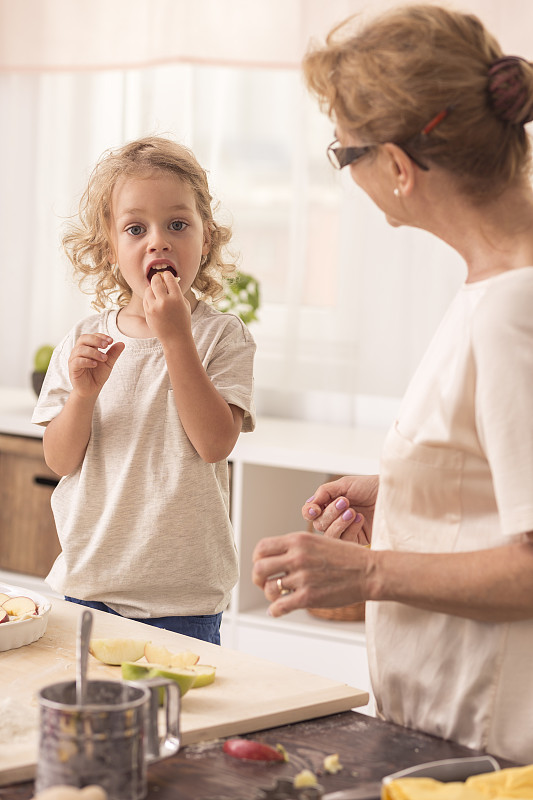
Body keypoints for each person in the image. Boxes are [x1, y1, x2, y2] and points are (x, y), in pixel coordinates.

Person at [252, 4, 533, 763]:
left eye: (343, 154)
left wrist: (366, 569)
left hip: (487, 748)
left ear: (399, 168)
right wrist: (412, 494)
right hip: (453, 734)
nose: (347, 176)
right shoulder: (494, 285)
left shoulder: (513, 306)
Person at [33, 136, 256, 645]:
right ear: (111, 250)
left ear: (206, 237)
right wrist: (83, 397)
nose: (158, 241)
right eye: (136, 228)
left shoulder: (223, 336)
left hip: (185, 600)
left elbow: (215, 443)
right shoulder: (84, 338)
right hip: (89, 589)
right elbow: (60, 460)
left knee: (179, 722)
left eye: (178, 224)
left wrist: (177, 337)